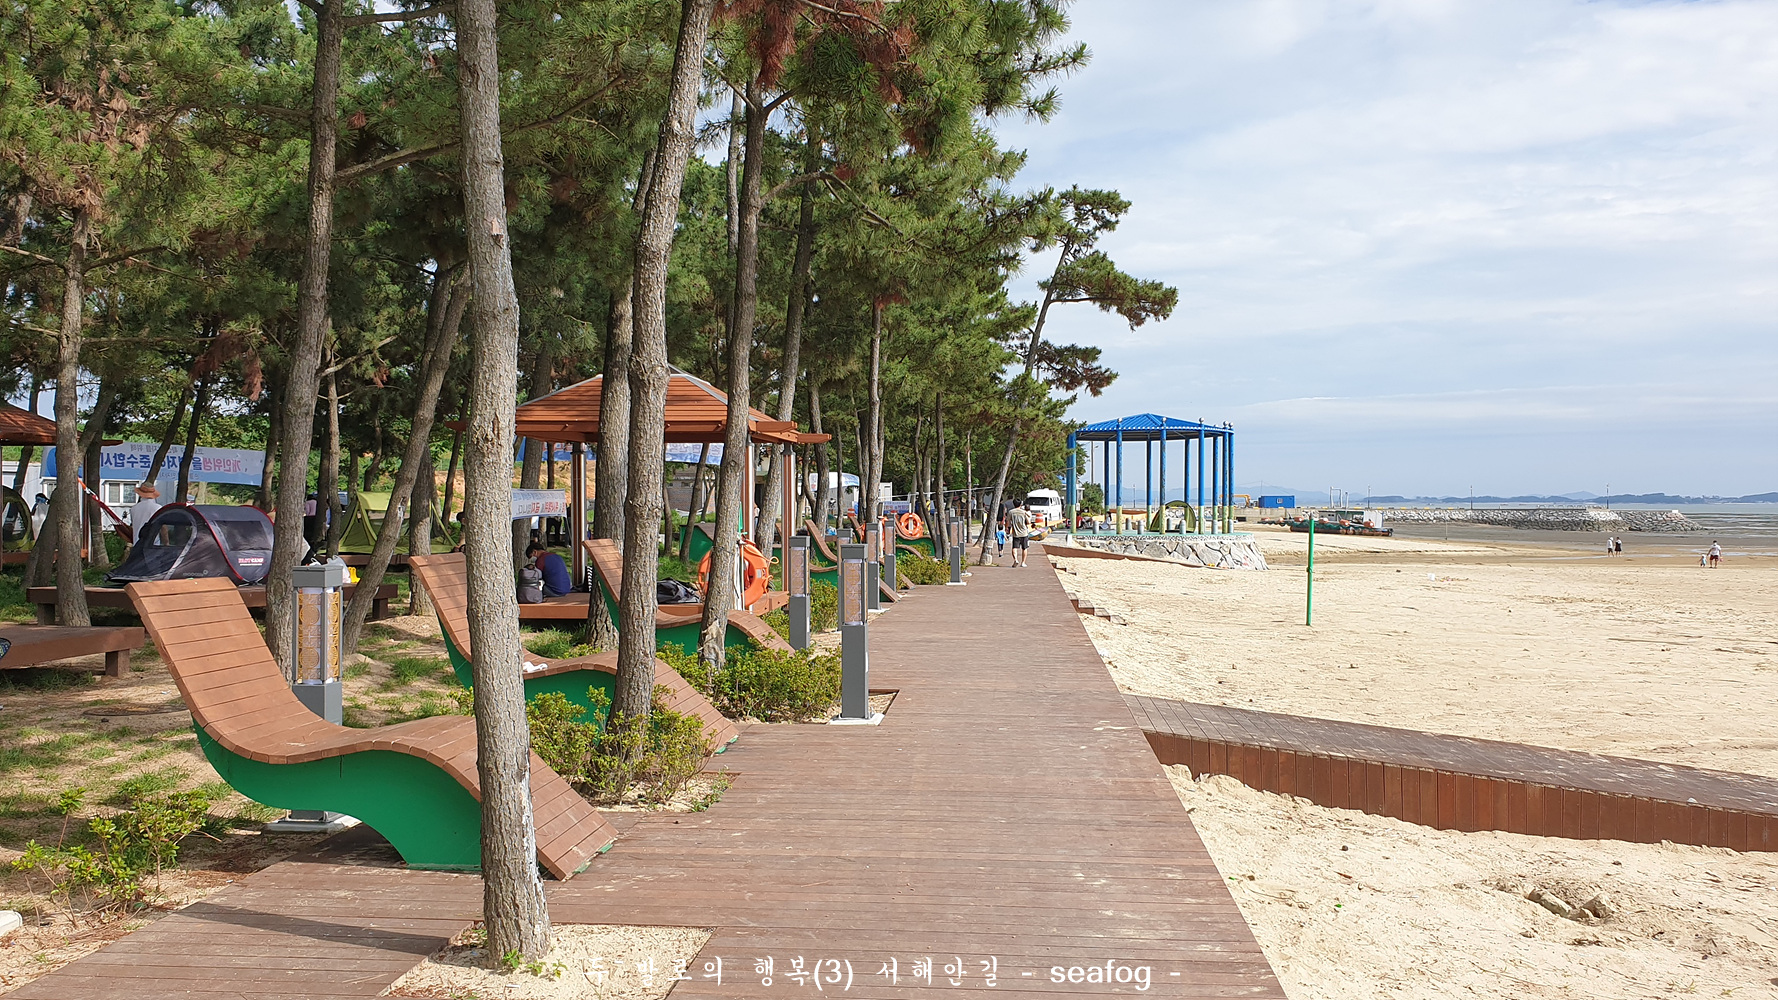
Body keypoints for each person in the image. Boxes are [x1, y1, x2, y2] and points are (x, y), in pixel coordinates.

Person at [128, 483, 162, 547]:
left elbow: (133, 526)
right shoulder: (158, 508)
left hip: (137, 545)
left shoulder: (133, 509)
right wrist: (166, 543)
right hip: (153, 545)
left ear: (140, 494)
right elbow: (163, 528)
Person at [1006, 501, 1032, 568]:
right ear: (1020, 504)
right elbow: (1028, 522)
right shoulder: (1023, 512)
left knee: (1014, 547)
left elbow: (1008, 521)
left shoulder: (1011, 512)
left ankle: (1015, 559)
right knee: (1024, 548)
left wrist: (1007, 528)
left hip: (1015, 533)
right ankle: (1023, 562)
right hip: (1024, 533)